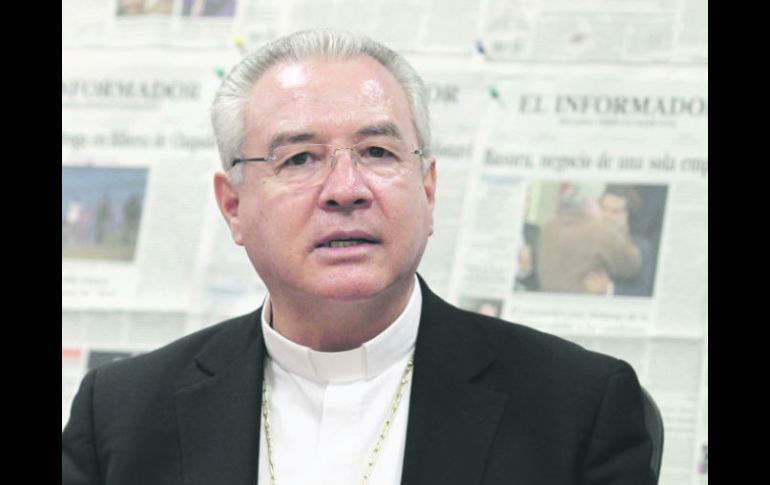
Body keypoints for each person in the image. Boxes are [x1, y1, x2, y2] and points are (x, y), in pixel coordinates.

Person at [62, 29, 654, 485]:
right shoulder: (121, 414)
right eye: (299, 159)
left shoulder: (577, 406)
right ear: (234, 206)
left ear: (427, 189)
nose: (346, 189)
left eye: (377, 151)